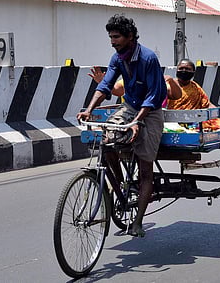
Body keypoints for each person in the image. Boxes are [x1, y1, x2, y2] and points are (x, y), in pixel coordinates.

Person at [77, 14, 166, 237]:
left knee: (146, 170)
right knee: (106, 142)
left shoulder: (148, 58)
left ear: (129, 36)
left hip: (151, 112)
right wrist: (89, 109)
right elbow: (105, 85)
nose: (112, 41)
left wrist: (137, 122)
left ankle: (137, 222)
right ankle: (121, 185)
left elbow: (154, 96)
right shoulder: (117, 58)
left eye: (116, 37)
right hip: (129, 107)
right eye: (110, 37)